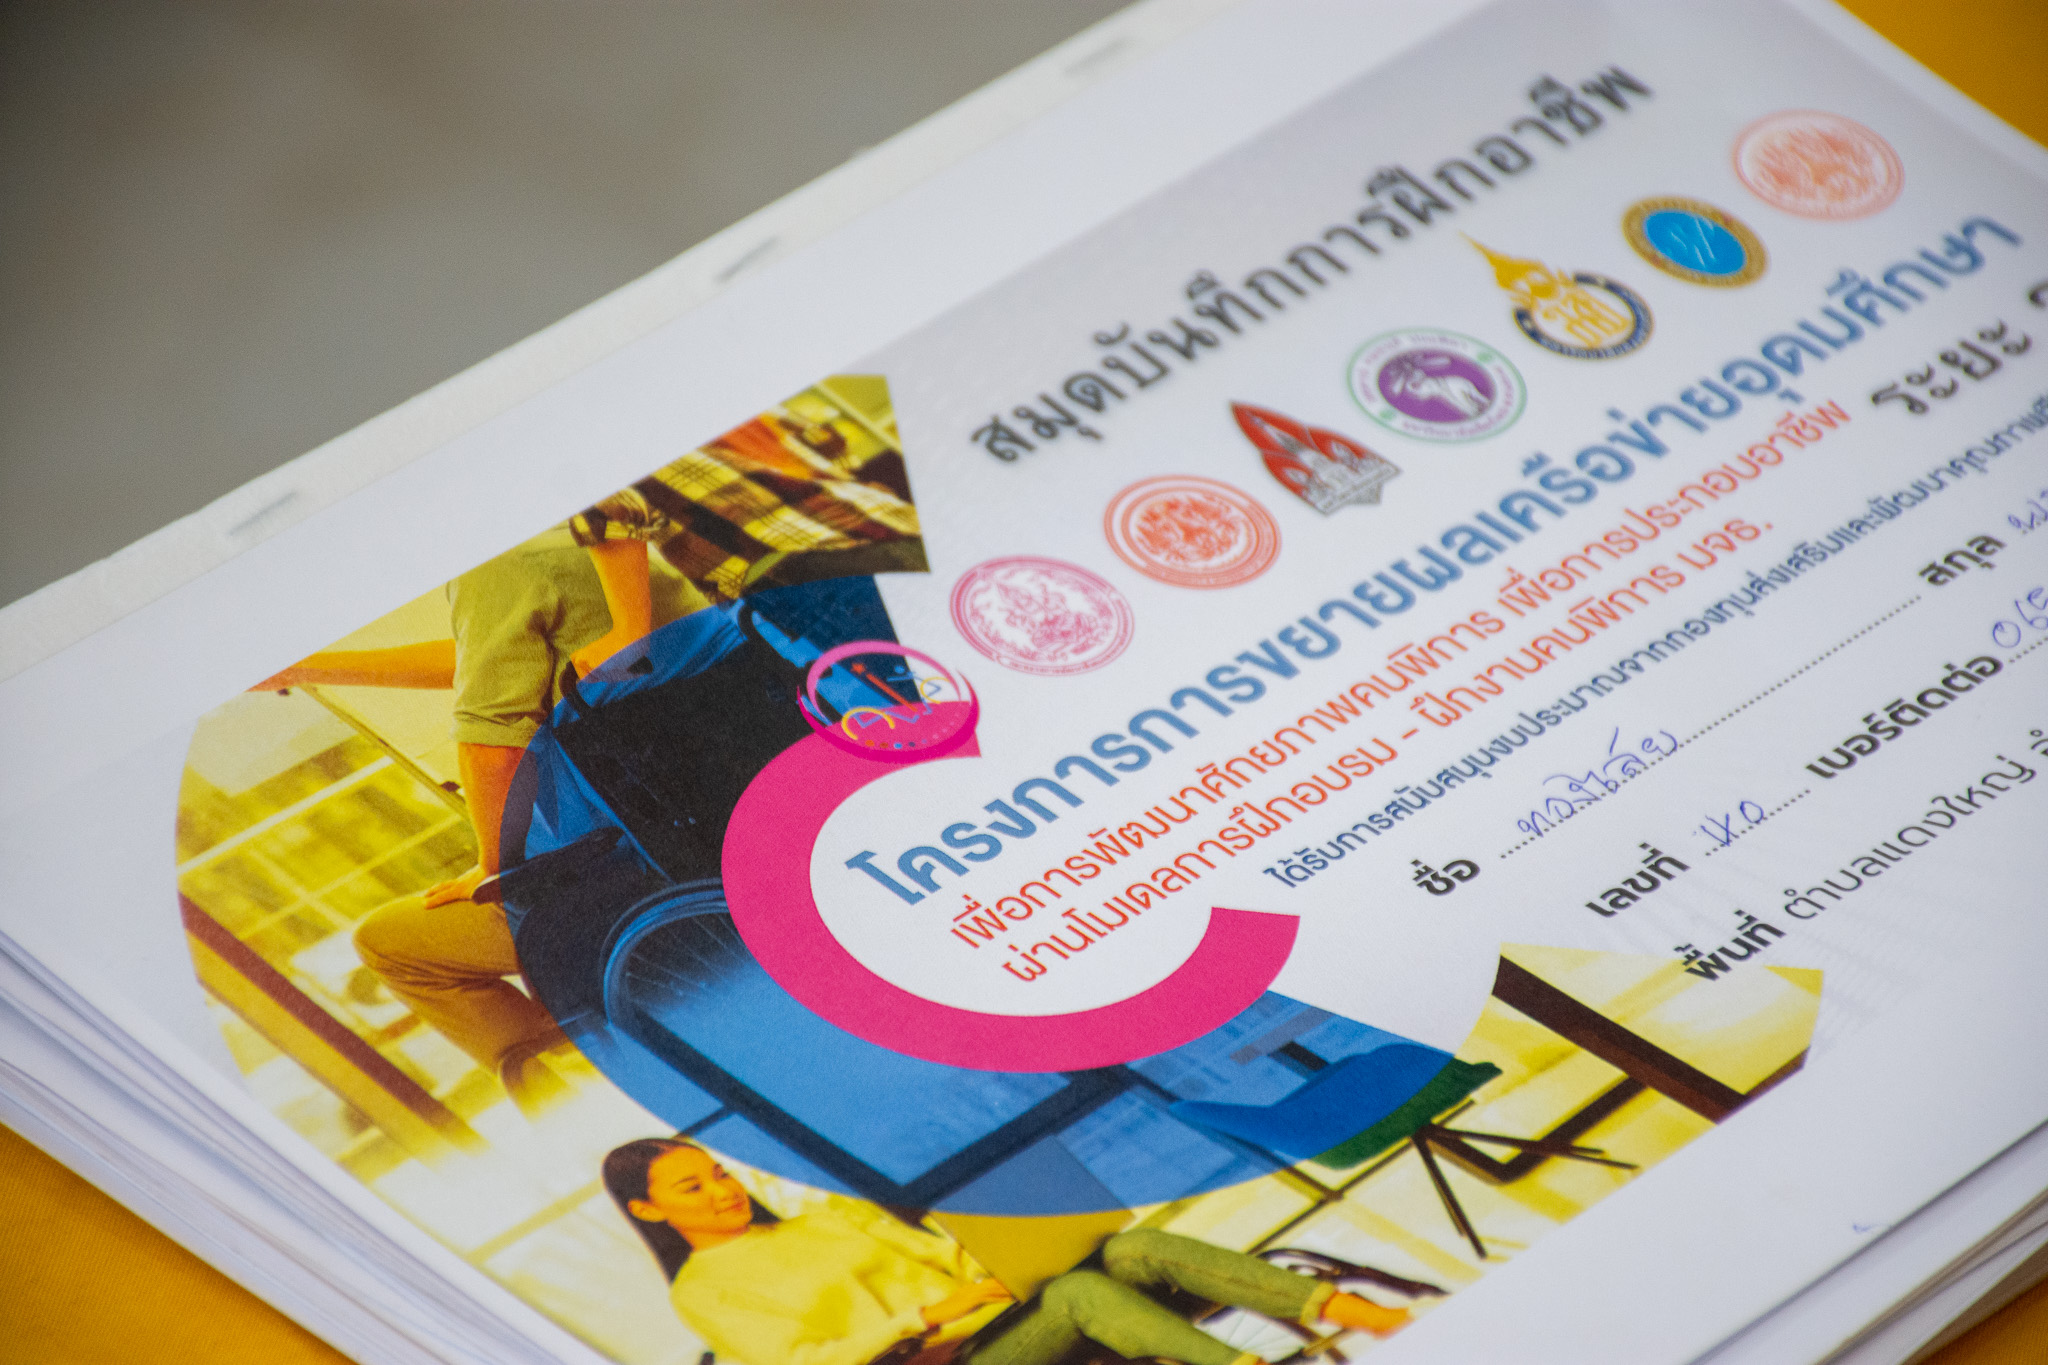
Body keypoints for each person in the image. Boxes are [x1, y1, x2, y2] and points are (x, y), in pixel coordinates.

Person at [256, 525, 711, 1112]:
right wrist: (305, 668)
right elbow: (482, 658)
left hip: (638, 858)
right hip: (695, 807)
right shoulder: (564, 541)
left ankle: (580, 1101)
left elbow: (490, 749)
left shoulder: (493, 568)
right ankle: (602, 1061)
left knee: (391, 943)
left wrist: (495, 869)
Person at [603, 1140, 1409, 1365]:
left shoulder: (819, 1221)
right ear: (649, 1210)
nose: (720, 1190)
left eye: (718, 1173)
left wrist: (989, 1267)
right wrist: (927, 1315)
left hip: (994, 1322)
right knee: (1080, 1298)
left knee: (1133, 1247)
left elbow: (945, 1266)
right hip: (940, 1358)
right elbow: (803, 1360)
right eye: (691, 1187)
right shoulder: (702, 1290)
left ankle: (1359, 1313)